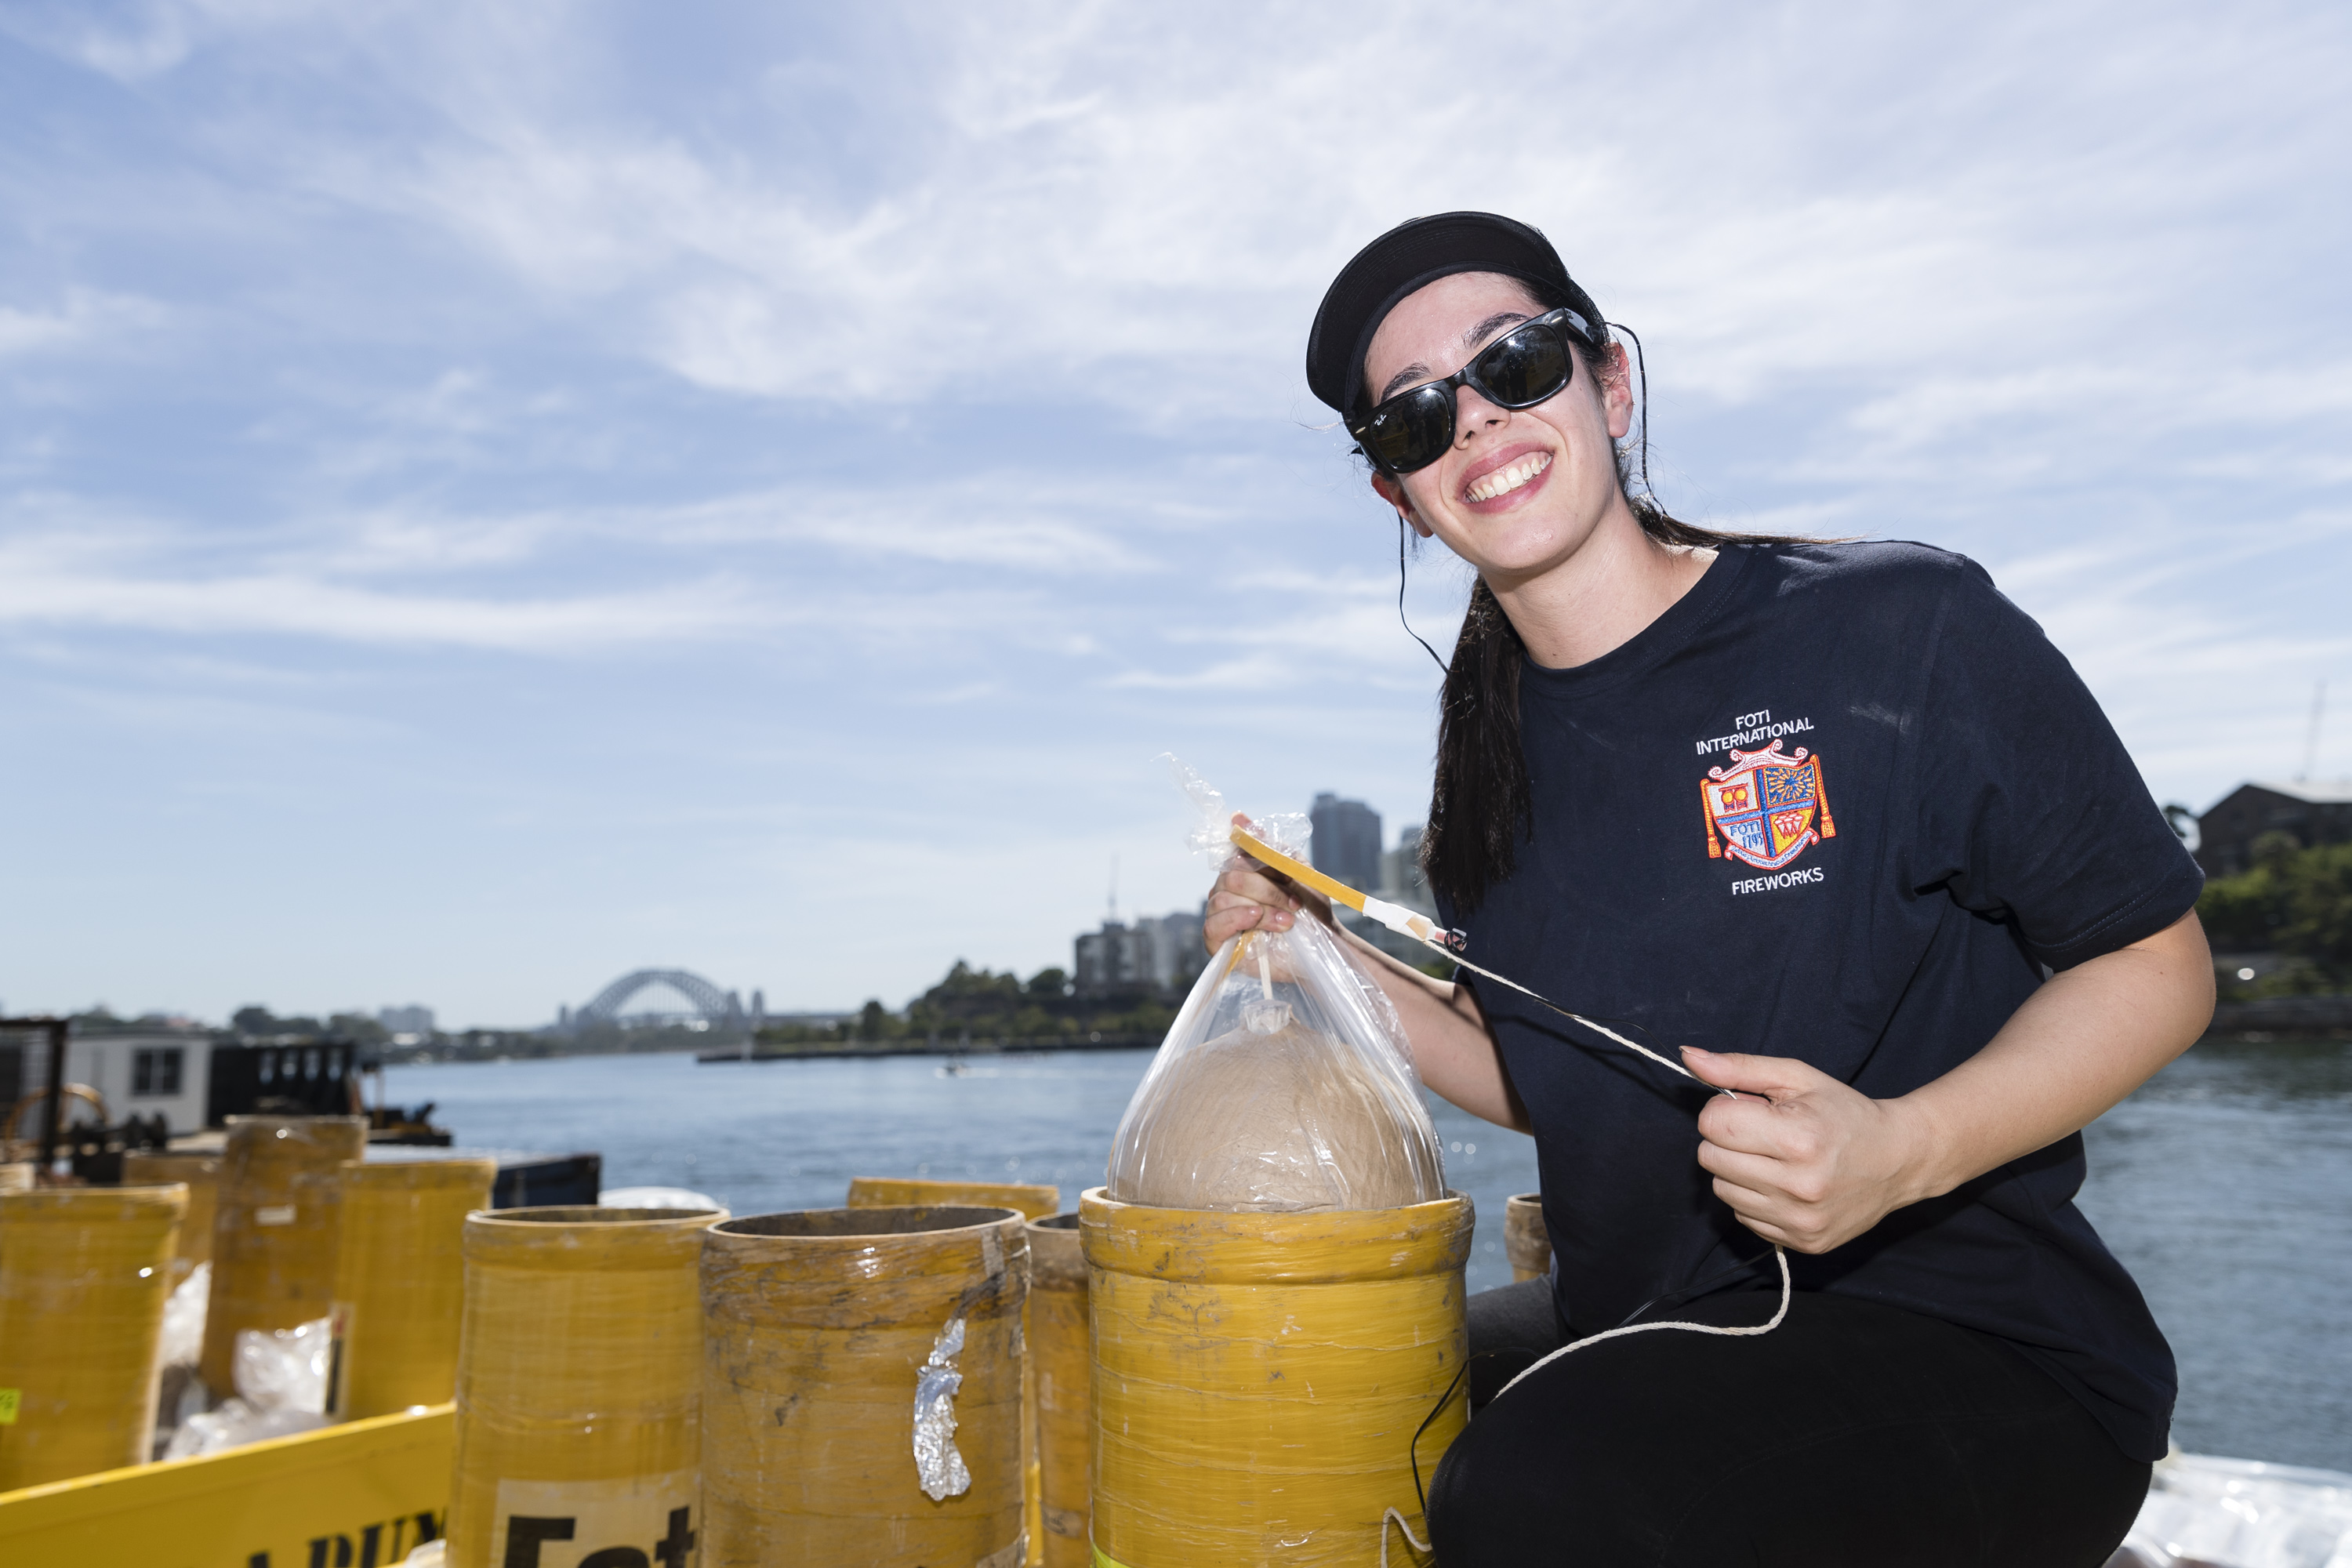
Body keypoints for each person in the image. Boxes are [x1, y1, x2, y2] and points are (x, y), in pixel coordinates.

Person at [1206, 212, 2214, 1567]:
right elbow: (1541, 1081)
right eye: (1413, 419)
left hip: (1979, 1341)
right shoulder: (1487, 775)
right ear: (1398, 490)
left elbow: (2158, 965)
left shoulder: (1899, 627)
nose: (1477, 425)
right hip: (1647, 1330)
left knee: (1541, 1496)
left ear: (1608, 380)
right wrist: (1316, 953)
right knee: (1303, 1382)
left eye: (1514, 364)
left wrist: (1898, 1150)